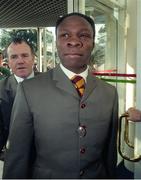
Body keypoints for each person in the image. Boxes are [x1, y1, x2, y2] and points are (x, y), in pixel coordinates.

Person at [2, 12, 118, 179]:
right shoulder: (30, 90)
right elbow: (18, 156)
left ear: (93, 43)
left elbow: (109, 155)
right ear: (56, 43)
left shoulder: (109, 93)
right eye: (65, 35)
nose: (74, 41)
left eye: (84, 35)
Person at [0, 37, 40, 160]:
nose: (20, 61)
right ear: (8, 62)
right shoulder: (1, 90)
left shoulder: (52, 84)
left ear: (33, 58)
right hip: (16, 160)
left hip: (52, 162)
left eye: (24, 55)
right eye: (14, 57)